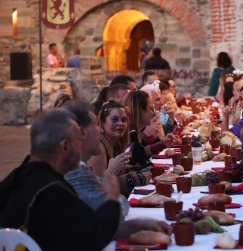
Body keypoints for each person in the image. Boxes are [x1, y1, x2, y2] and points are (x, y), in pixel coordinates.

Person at [0, 109, 121, 251]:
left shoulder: (17, 178)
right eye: (78, 140)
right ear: (64, 146)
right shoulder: (51, 191)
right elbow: (93, 237)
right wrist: (112, 198)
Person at [62, 101, 171, 239]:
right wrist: (114, 194)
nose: (99, 130)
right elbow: (113, 217)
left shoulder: (77, 166)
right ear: (82, 132)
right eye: (95, 125)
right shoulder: (76, 172)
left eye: (124, 120)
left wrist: (137, 224)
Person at [88, 100, 130, 178]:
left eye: (124, 120)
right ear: (103, 122)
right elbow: (99, 186)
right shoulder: (99, 148)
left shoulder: (118, 144)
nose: (121, 123)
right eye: (114, 119)